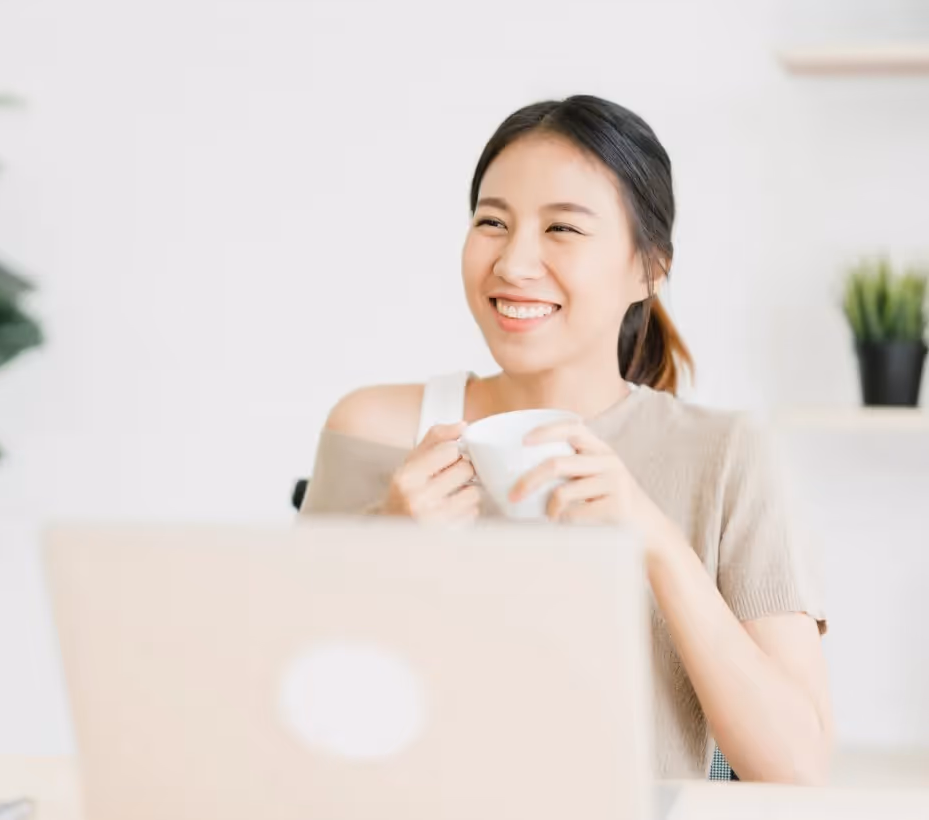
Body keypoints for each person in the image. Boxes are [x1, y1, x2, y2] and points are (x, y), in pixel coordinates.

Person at [299, 96, 831, 784]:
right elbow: (286, 707)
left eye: (562, 229)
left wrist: (655, 542)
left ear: (650, 268)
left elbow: (796, 770)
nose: (514, 263)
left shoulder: (726, 455)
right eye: (492, 221)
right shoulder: (375, 428)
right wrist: (387, 544)